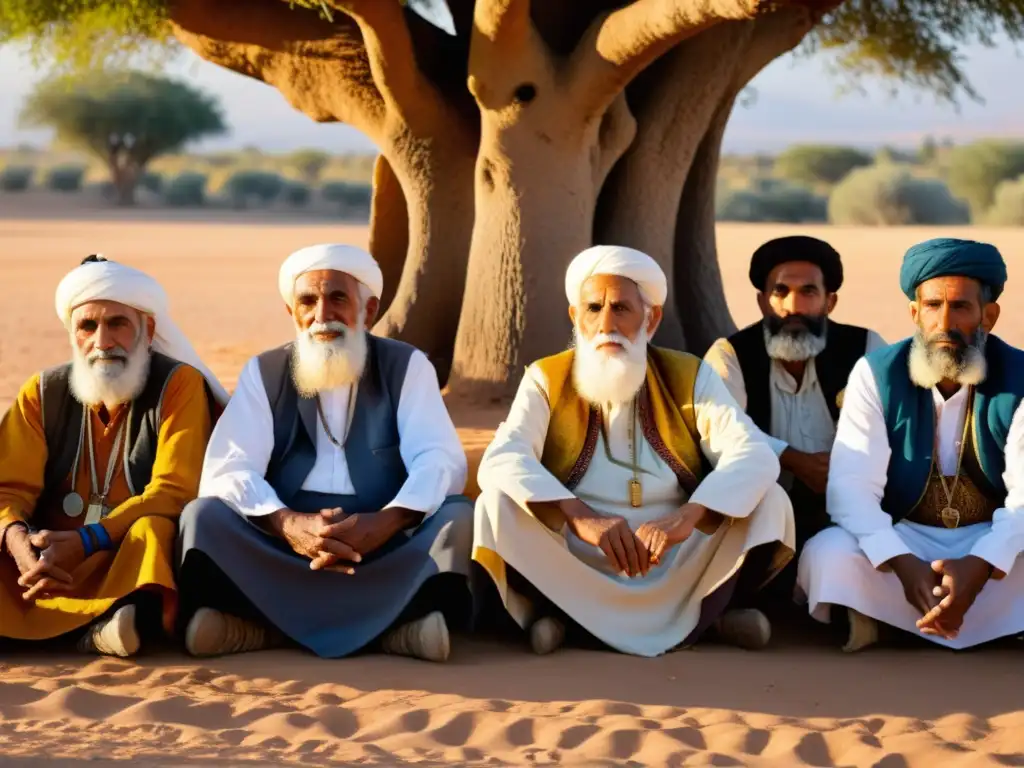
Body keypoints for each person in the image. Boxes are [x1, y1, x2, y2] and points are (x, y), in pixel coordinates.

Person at [473, 245, 795, 657]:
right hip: (579, 552)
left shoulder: (690, 375)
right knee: (494, 506)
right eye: (593, 308)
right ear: (576, 317)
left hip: (675, 553)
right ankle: (562, 615)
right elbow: (503, 458)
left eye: (621, 309)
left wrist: (686, 517)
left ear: (651, 318)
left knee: (770, 501)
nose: (606, 324)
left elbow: (753, 454)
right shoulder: (546, 378)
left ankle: (705, 615)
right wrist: (581, 517)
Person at [178, 243, 472, 662]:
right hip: (283, 545)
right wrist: (288, 524)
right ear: (292, 313)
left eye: (338, 298)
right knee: (203, 517)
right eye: (308, 301)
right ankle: (395, 631)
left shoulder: (406, 366)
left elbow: (440, 459)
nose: (322, 315)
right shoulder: (265, 371)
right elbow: (228, 468)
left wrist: (387, 521)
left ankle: (258, 630)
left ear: (367, 311)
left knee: (456, 517)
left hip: (383, 542)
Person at [798, 238, 1024, 651]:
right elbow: (850, 489)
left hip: (992, 542)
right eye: (933, 306)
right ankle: (975, 624)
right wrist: (901, 563)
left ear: (988, 316)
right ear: (914, 313)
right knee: (827, 554)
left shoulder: (1020, 377)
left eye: (961, 307)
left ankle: (891, 627)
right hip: (906, 538)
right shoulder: (876, 374)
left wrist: (979, 567)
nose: (944, 323)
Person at [0, 256, 225, 657]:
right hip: (49, 557)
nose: (102, 341)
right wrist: (21, 545)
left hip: (124, 555)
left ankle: (110, 624)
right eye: (88, 326)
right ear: (72, 333)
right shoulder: (42, 392)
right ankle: (99, 630)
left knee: (153, 530)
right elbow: (8, 490)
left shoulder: (178, 385)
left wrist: (88, 539)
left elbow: (174, 490)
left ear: (148, 329)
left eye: (117, 324)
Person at [704, 236, 884, 559]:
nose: (793, 307)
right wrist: (794, 461)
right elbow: (722, 431)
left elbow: (893, 426)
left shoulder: (866, 348)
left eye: (808, 292)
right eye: (781, 292)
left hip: (852, 504)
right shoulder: (730, 356)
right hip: (760, 509)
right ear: (762, 301)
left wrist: (846, 468)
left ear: (830, 302)